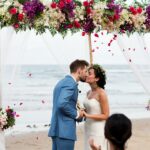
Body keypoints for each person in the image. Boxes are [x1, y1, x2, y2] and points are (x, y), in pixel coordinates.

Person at [48, 59, 89, 150]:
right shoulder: (71, 83)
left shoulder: (62, 82)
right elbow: (62, 104)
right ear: (79, 70)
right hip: (65, 131)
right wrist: (77, 114)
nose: (87, 74)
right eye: (85, 71)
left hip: (56, 129)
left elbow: (64, 104)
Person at [83, 64, 109, 150]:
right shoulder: (88, 92)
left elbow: (106, 115)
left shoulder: (101, 93)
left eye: (89, 73)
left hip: (98, 129)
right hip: (88, 127)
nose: (86, 75)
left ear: (97, 78)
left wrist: (87, 115)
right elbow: (88, 110)